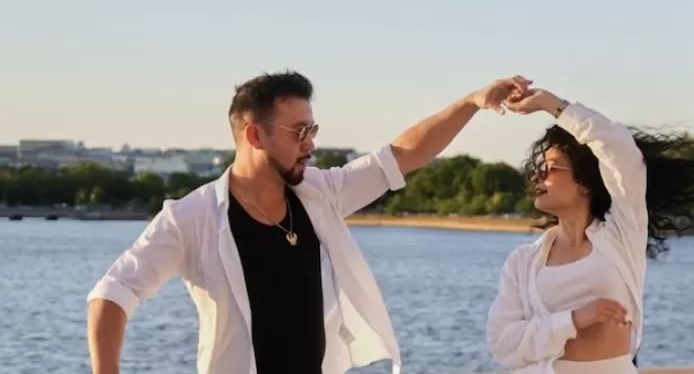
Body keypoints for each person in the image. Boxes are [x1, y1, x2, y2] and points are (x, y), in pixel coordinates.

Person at [85, 70, 532, 374]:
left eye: (312, 130)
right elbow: (113, 293)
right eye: (299, 131)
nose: (311, 143)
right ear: (255, 135)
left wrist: (473, 102)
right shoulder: (190, 218)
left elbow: (403, 155)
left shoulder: (321, 193)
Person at [485, 88, 694, 373]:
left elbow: (619, 151)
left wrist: (550, 105)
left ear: (585, 182)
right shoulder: (523, 262)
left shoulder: (621, 235)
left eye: (551, 168)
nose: (538, 175)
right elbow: (503, 343)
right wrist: (573, 320)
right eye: (538, 168)